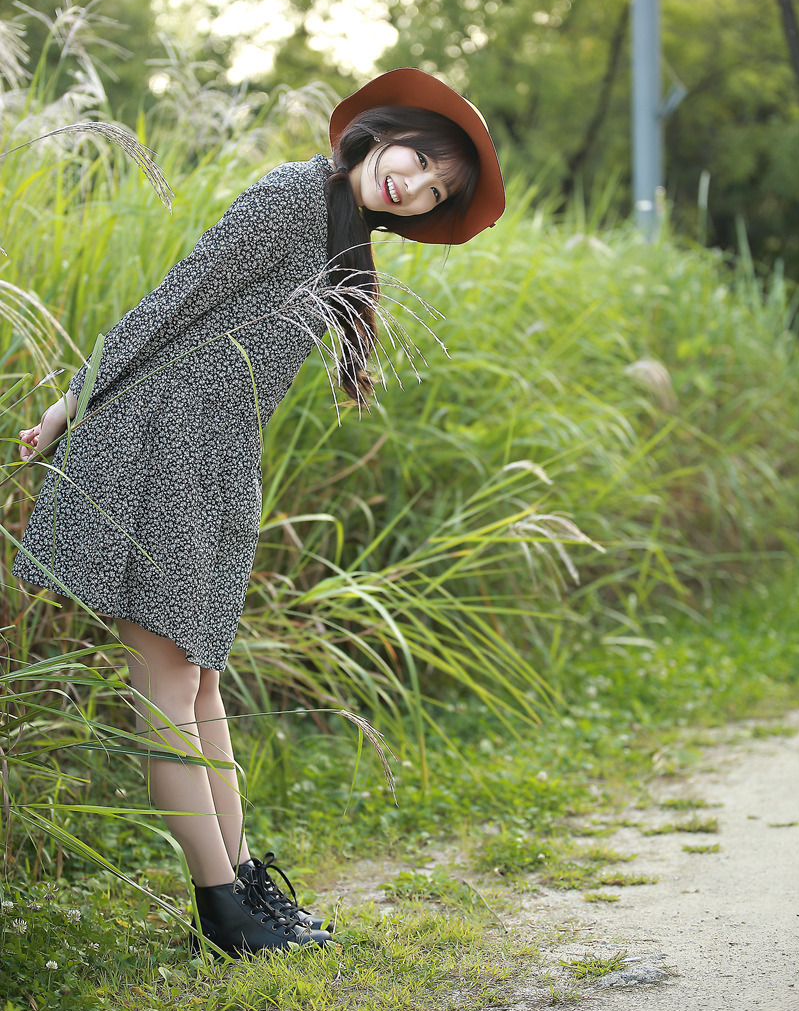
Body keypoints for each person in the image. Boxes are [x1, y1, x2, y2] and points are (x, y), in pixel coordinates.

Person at [13, 68, 505, 957]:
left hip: (215, 451)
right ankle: (221, 910)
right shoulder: (292, 196)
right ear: (383, 131)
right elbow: (174, 299)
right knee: (168, 683)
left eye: (436, 192)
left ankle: (244, 887)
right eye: (423, 160)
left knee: (198, 679)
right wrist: (68, 405)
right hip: (154, 438)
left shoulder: (341, 231)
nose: (416, 186)